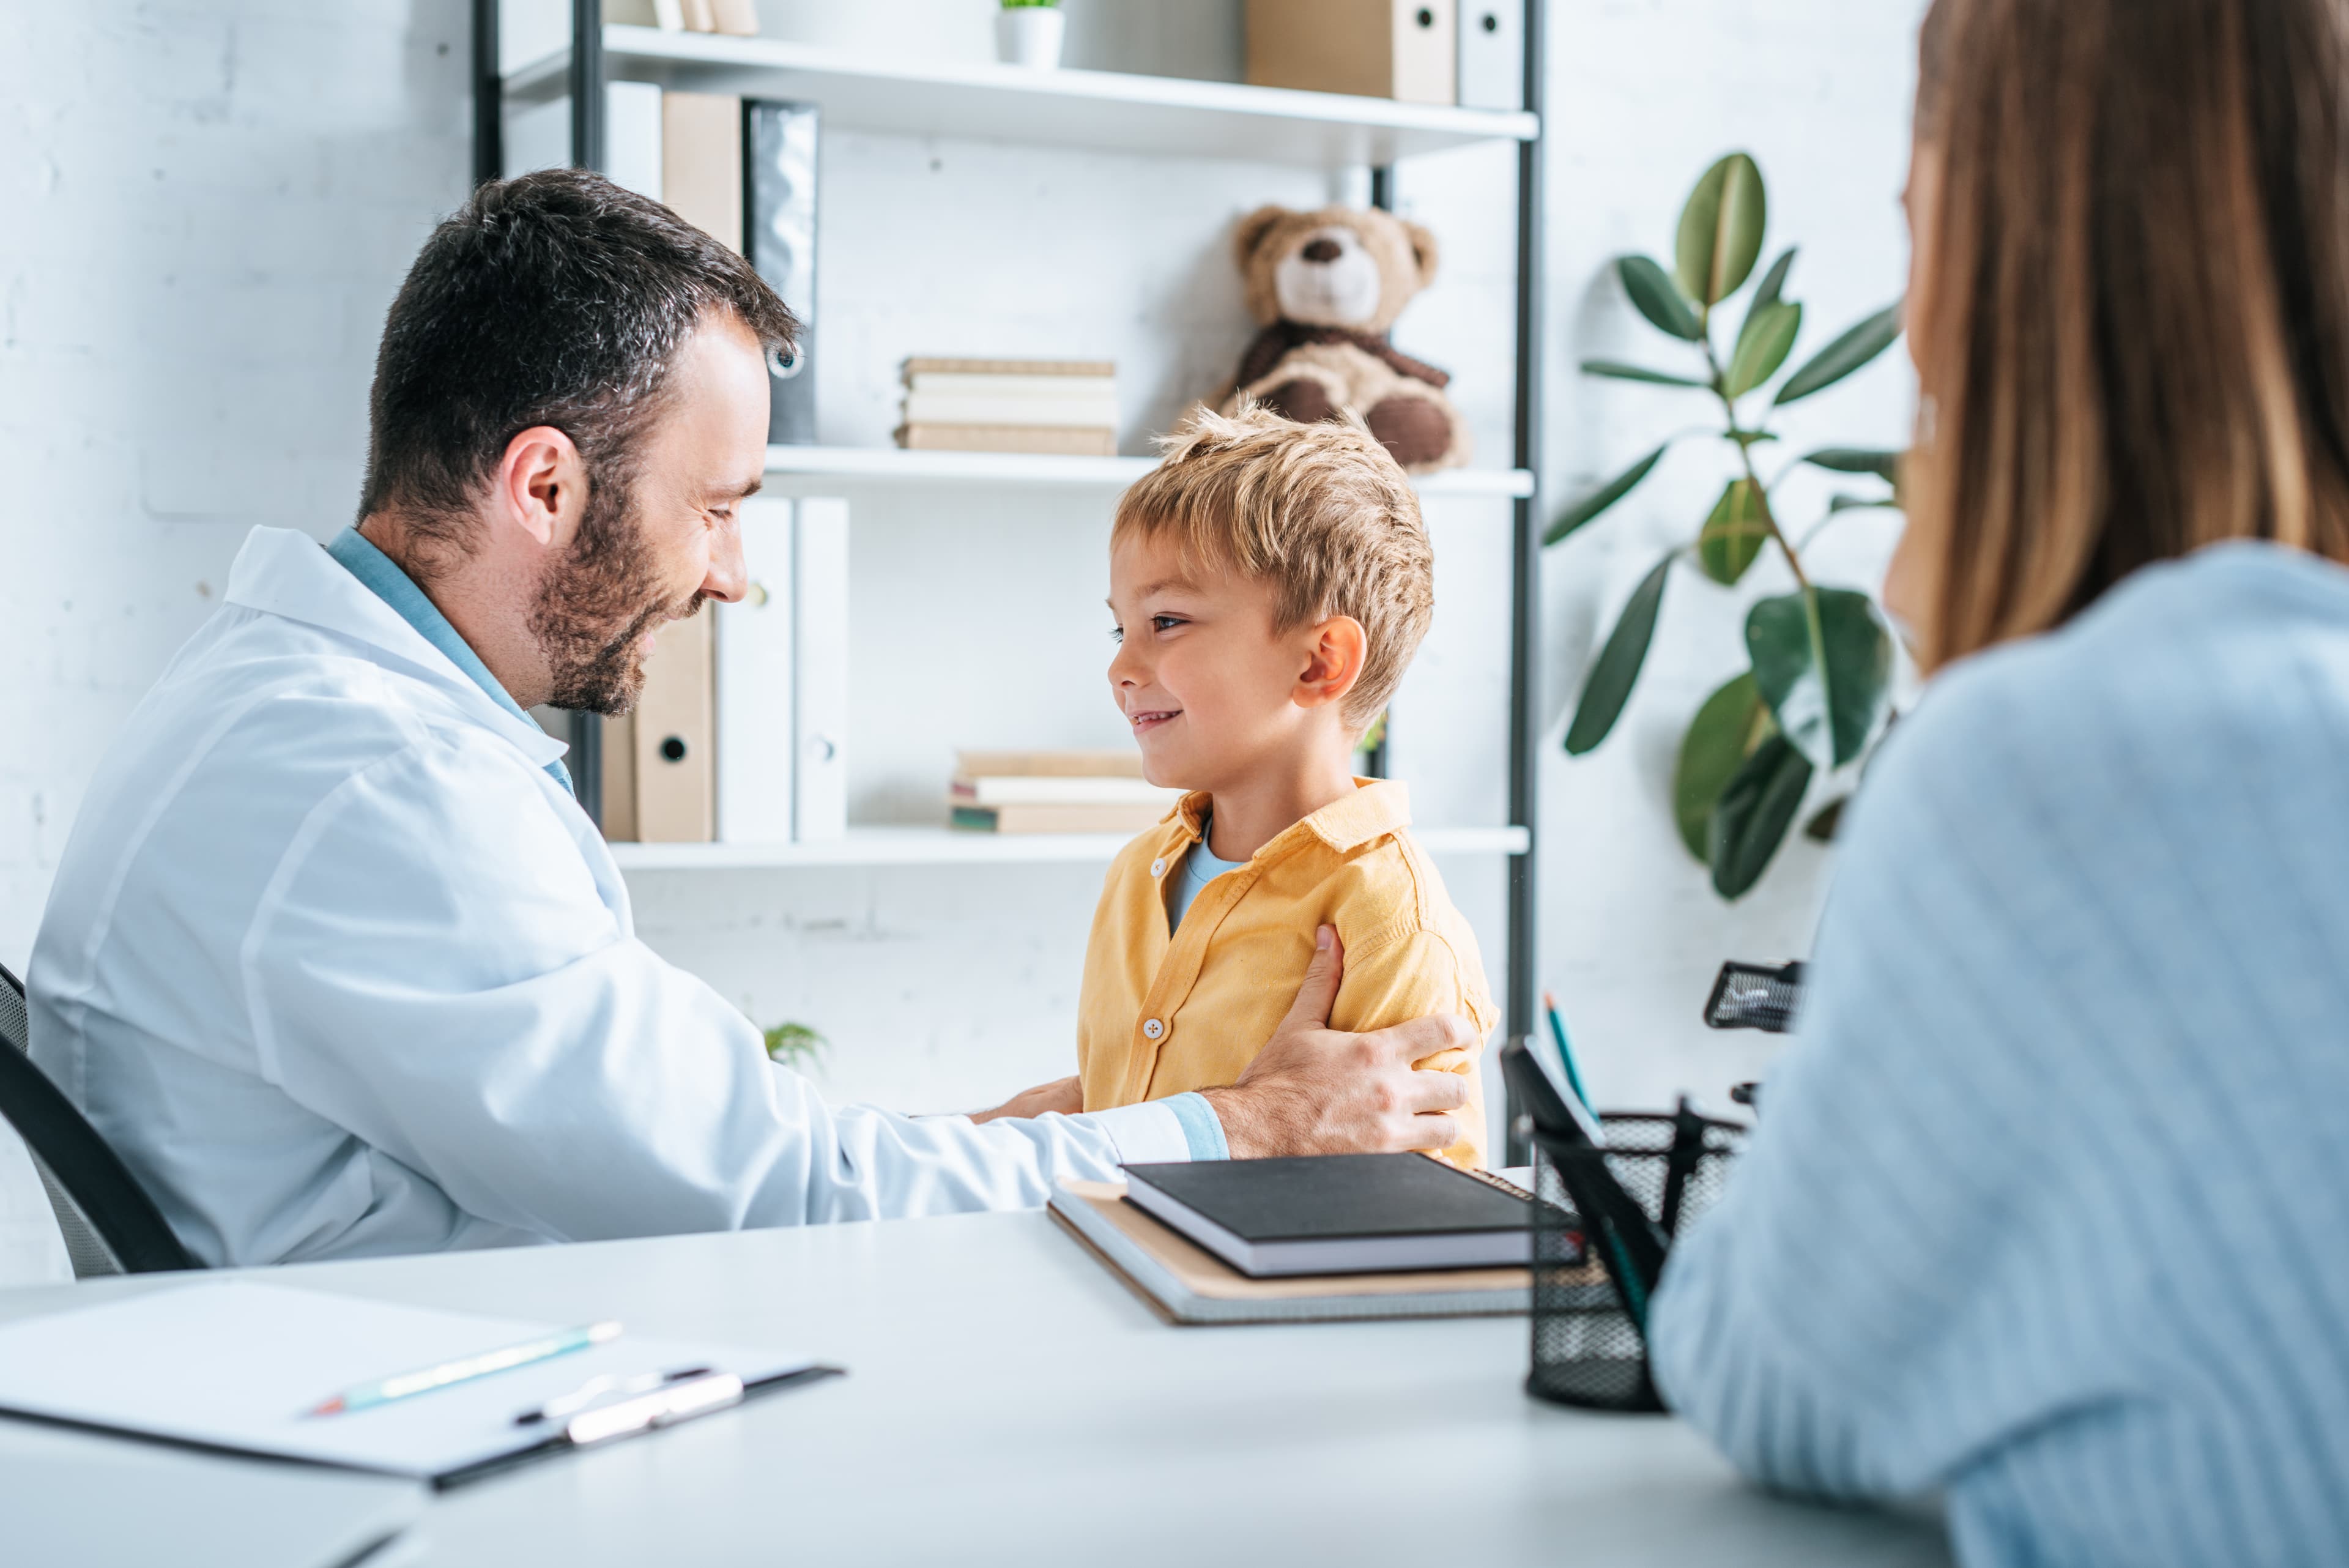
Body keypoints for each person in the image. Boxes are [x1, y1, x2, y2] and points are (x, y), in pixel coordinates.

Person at [25, 169, 1476, 1268]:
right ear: (545, 487)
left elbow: (724, 1154)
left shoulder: (291, 699)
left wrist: (1035, 1141)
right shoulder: (376, 787)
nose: (731, 572)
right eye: (715, 509)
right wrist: (1241, 1132)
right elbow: (774, 1200)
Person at [1647, 2, 2349, 1565]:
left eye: (1920, 166)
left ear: (1995, 227)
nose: (1899, 227)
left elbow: (1771, 1376)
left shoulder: (2050, 761)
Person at [1062, 406, 1493, 1169]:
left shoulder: (1392, 924)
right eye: (1118, 629)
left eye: (1166, 621)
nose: (1120, 668)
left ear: (1319, 662)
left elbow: (1425, 1218)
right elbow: (1118, 1105)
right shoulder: (1138, 876)